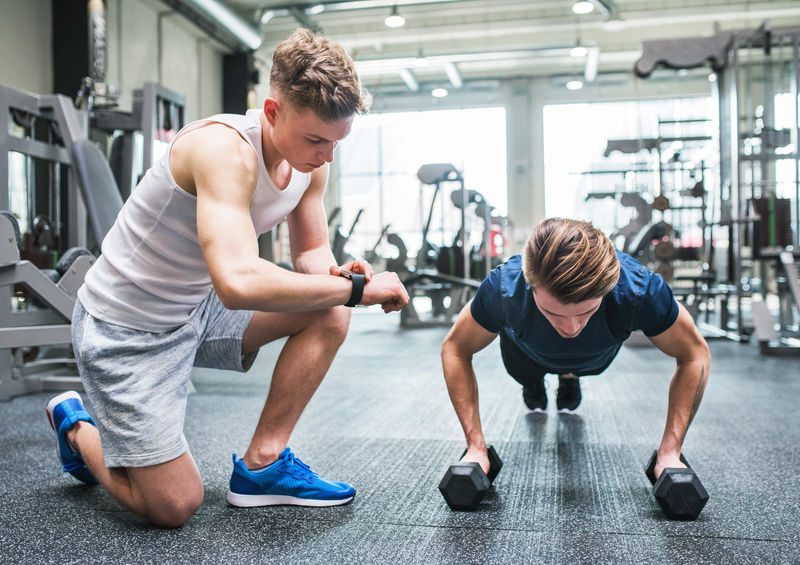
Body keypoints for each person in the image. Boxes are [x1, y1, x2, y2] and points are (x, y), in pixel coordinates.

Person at [44, 29, 409, 528]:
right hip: (125, 326)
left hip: (198, 306)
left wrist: (339, 276)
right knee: (174, 506)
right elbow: (237, 281)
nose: (326, 155)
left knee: (329, 312)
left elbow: (310, 255)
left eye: (336, 142)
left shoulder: (312, 163)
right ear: (273, 112)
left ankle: (264, 463)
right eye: (317, 140)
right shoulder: (221, 150)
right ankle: (76, 430)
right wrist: (360, 290)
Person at [440, 218, 710, 480]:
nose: (570, 329)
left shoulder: (638, 290)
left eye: (586, 312)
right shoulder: (504, 289)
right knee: (530, 385)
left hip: (593, 357)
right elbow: (455, 348)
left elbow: (694, 353)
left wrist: (670, 452)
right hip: (526, 352)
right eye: (554, 313)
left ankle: (570, 376)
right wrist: (475, 447)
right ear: (528, 283)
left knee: (577, 368)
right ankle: (534, 383)